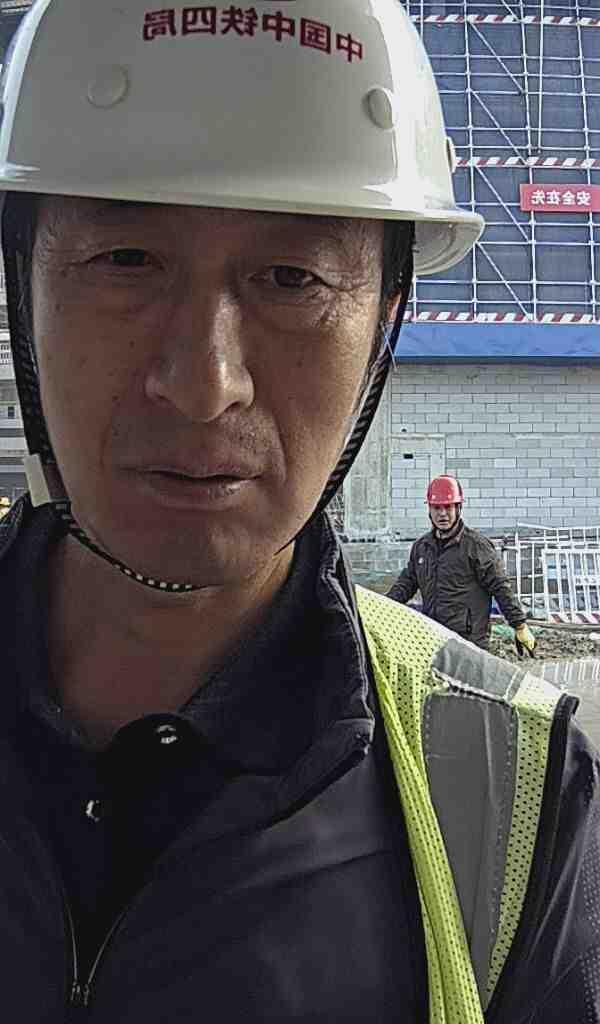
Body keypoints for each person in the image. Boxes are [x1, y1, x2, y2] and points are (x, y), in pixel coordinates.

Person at [0, 2, 598, 1022]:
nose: (204, 384)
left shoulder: (515, 796)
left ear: (386, 317)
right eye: (126, 260)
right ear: (24, 284)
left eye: (292, 278)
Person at [387, 475, 536, 653]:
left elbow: (500, 587)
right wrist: (381, 607)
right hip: (433, 640)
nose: (442, 514)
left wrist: (519, 625)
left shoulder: (476, 546)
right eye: (437, 508)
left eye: (448, 507)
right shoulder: (422, 548)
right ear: (429, 509)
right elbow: (405, 585)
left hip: (469, 643)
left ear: (458, 508)